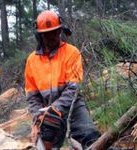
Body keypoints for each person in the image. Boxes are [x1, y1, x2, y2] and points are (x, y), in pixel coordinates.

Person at [25, 10, 101, 149]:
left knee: (90, 137)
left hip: (73, 105)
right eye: (47, 34)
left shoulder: (71, 52)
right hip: (46, 108)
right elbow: (32, 96)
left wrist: (57, 108)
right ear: (40, 35)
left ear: (60, 31)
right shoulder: (32, 60)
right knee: (44, 139)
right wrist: (38, 117)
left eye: (55, 32)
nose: (52, 36)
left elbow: (74, 88)